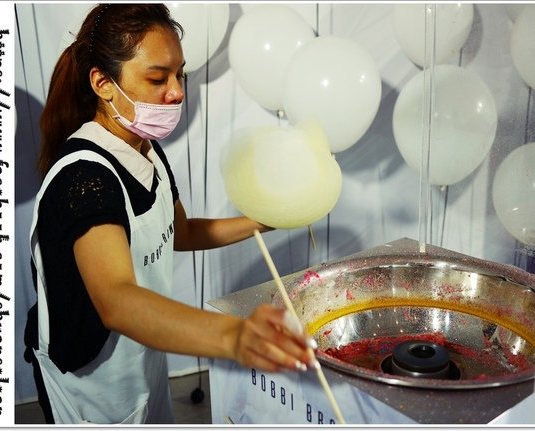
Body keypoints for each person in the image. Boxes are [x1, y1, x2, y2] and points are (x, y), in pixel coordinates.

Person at [23, 3, 316, 424]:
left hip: (142, 353)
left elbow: (180, 232)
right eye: (158, 78)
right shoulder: (84, 180)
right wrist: (234, 336)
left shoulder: (146, 149)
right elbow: (116, 300)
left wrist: (262, 220)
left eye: (180, 75)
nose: (177, 91)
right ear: (103, 84)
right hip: (93, 381)